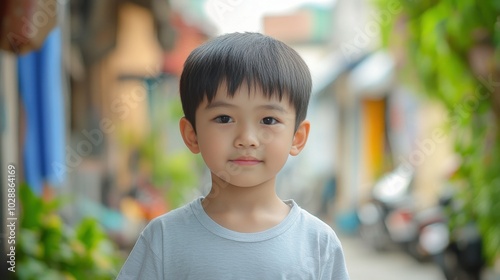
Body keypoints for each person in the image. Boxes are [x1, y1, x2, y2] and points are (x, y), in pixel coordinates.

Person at [116, 32, 350, 280]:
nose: (247, 138)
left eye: (268, 120)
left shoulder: (318, 243)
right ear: (192, 134)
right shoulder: (164, 238)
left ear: (297, 137)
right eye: (224, 118)